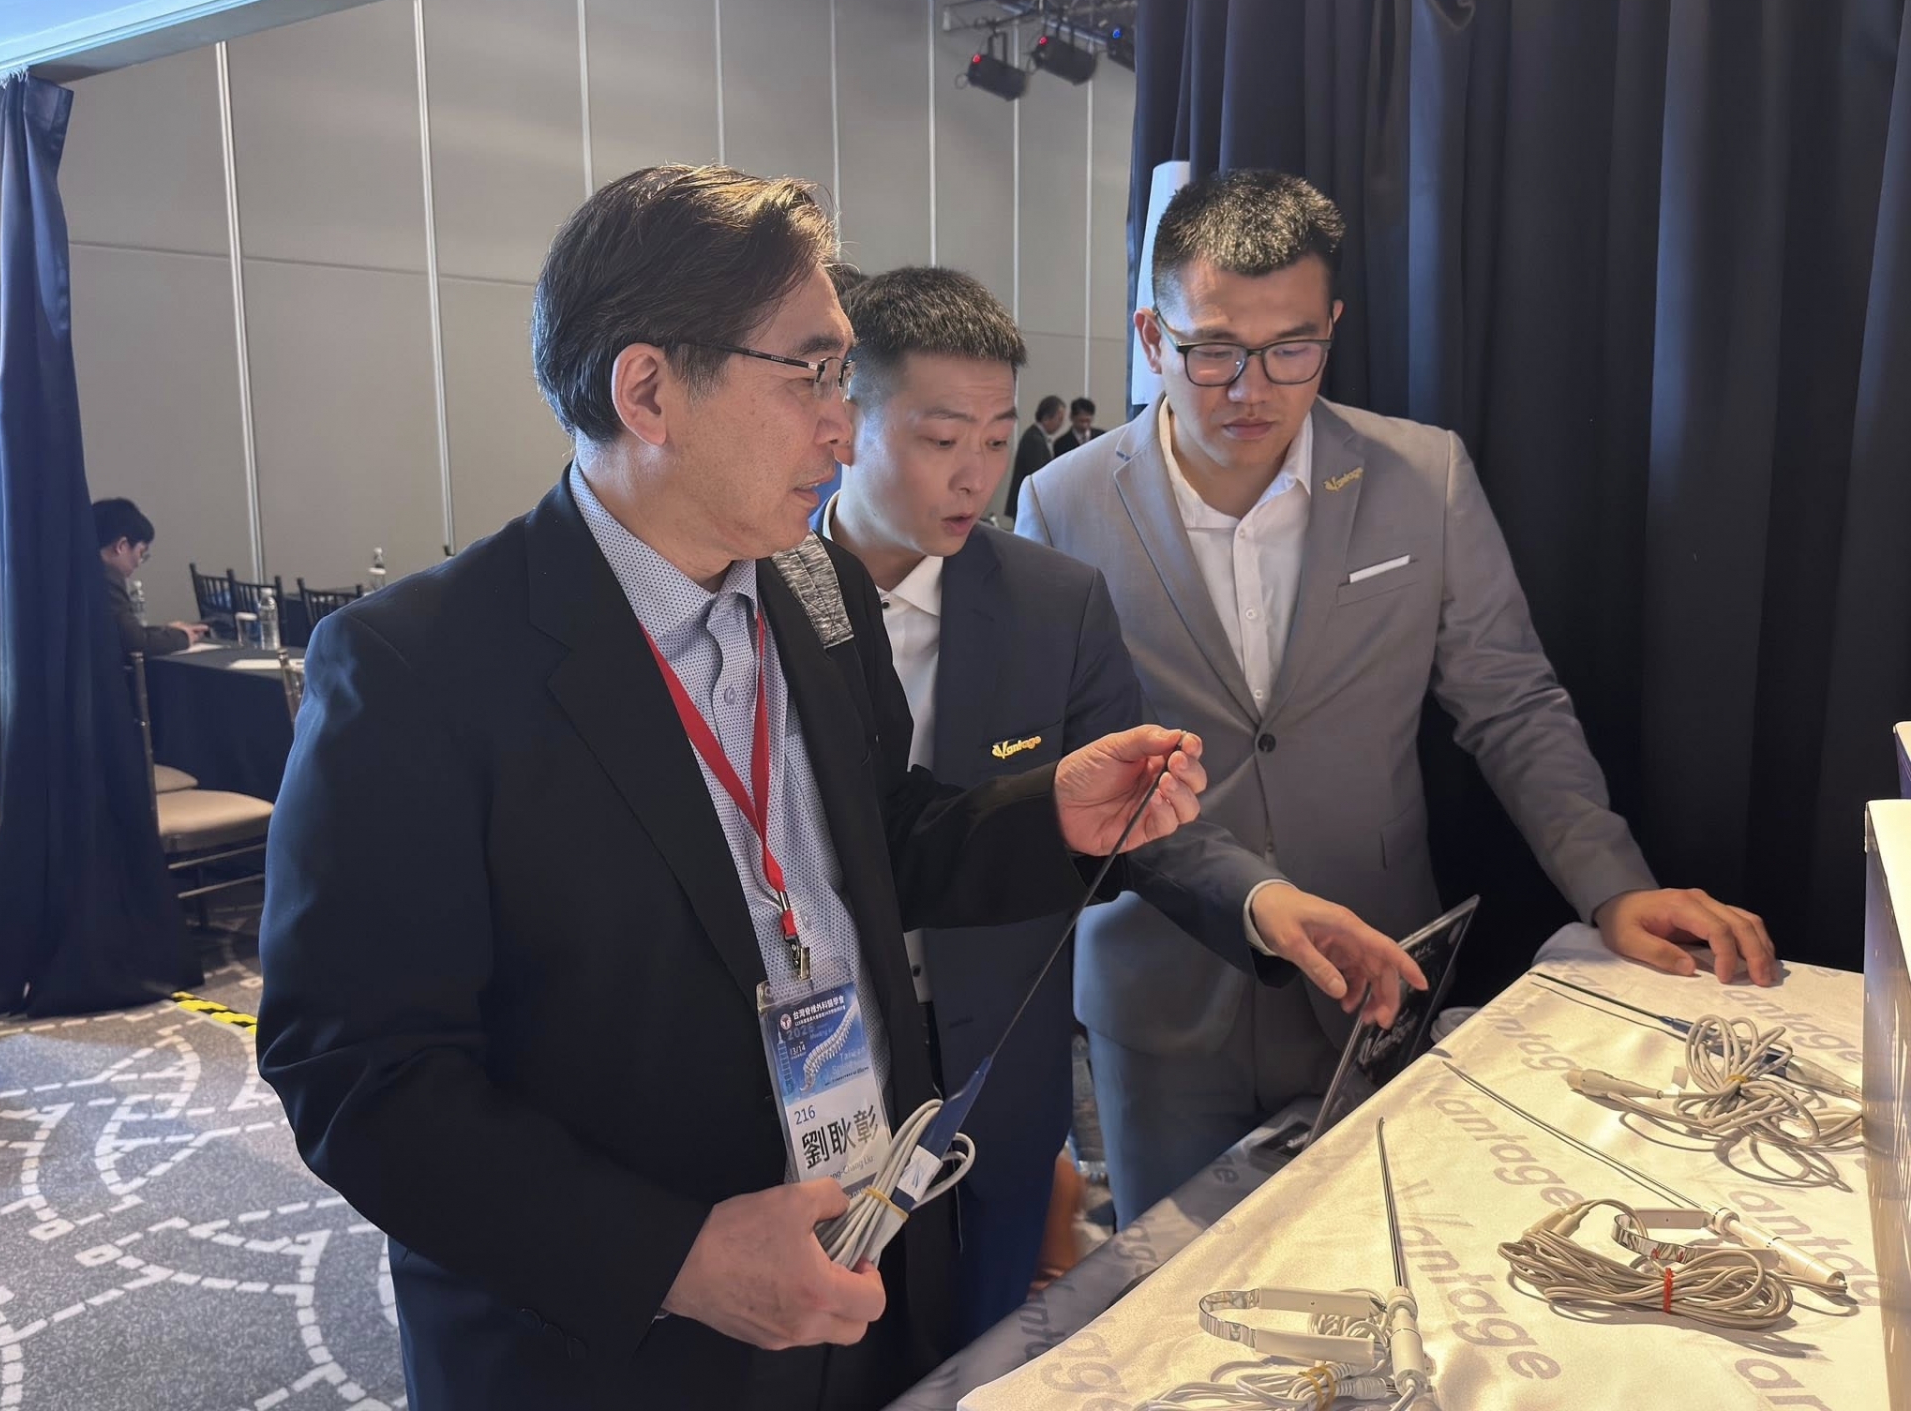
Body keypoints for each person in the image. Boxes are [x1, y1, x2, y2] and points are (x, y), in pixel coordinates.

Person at [255, 165, 1211, 1411]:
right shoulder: (420, 670)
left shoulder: (816, 588)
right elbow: (358, 1072)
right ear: (649, 391)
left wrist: (1047, 815)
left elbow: (875, 839)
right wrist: (675, 1260)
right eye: (811, 375)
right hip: (620, 1346)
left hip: (861, 1250)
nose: (843, 428)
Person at [1016, 168, 1780, 1228]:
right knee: (1175, 1288)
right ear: (1153, 337)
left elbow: (1511, 704)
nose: (1251, 389)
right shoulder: (1061, 504)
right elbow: (1078, 772)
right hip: (1165, 991)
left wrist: (1611, 885)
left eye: (1292, 349)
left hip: (1375, 969)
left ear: (1332, 328)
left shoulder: (1423, 477)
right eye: (1214, 351)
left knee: (1380, 1262)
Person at [820, 266, 1423, 1342]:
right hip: (813, 1084)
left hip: (992, 1089)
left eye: (996, 438)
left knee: (986, 1361)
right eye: (940, 439)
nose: (975, 476)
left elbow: (1133, 822)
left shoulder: (1050, 606)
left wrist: (1265, 903)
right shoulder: (752, 598)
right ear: (842, 420)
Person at [93, 498, 206, 655]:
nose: (138, 563)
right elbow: (136, 642)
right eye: (141, 553)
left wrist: (165, 631)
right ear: (121, 546)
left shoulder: (77, 571)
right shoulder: (106, 579)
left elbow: (124, 631)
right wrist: (183, 637)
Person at [1005, 394, 1066, 520]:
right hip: (1028, 505)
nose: (1061, 423)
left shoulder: (1037, 436)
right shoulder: (1034, 439)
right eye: (1059, 419)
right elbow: (1038, 475)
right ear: (1047, 417)